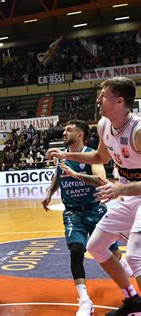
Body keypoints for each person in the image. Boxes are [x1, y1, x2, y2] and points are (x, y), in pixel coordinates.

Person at [47, 77, 141, 315]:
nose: (98, 99)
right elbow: (100, 158)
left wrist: (120, 188)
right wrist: (65, 155)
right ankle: (132, 299)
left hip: (133, 195)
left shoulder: (138, 132)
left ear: (119, 101)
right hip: (127, 196)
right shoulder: (103, 125)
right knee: (96, 246)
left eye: (104, 95)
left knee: (135, 256)